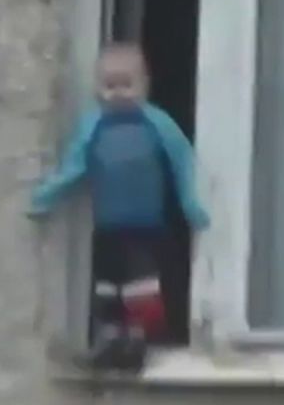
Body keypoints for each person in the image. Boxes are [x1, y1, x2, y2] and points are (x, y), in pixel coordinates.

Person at [27, 42, 209, 371]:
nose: (118, 93)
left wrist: (190, 203)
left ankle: (142, 341)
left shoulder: (157, 122)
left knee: (142, 285)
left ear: (144, 84)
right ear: (97, 88)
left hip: (147, 227)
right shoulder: (92, 125)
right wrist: (47, 196)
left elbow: (182, 160)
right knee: (108, 285)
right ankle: (109, 339)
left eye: (127, 84)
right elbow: (74, 167)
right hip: (108, 227)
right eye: (109, 85)